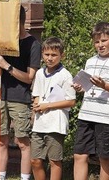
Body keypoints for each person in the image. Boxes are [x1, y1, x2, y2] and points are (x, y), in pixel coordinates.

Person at [72, 21, 109, 180]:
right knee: (79, 155)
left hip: (107, 118)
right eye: (96, 42)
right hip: (86, 115)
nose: (100, 45)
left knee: (104, 157)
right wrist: (80, 87)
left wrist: (105, 85)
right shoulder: (90, 61)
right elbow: (88, 87)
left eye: (104, 40)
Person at [0, 6, 41, 180]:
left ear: (19, 20)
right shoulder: (4, 42)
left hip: (20, 99)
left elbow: (29, 77)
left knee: (22, 142)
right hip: (1, 96)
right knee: (1, 140)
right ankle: (1, 176)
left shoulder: (33, 44)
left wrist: (7, 66)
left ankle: (24, 178)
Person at [30, 37, 76, 180]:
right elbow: (36, 95)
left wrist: (47, 105)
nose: (50, 58)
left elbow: (71, 101)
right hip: (39, 124)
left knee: (54, 160)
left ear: (62, 55)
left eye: (54, 55)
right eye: (47, 55)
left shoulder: (65, 75)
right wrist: (37, 105)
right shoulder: (39, 73)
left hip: (55, 124)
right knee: (35, 160)